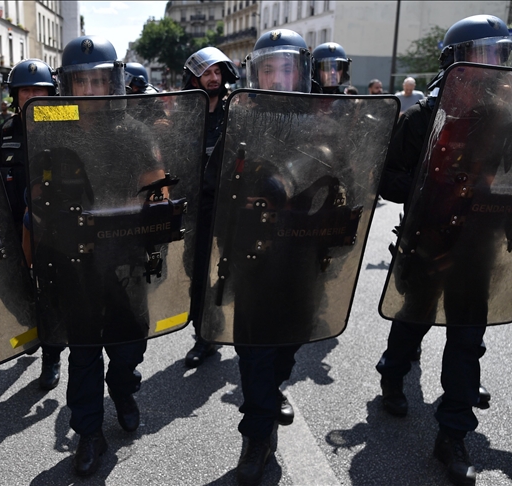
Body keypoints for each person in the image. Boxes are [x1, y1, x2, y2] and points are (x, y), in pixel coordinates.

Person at [374, 15, 512, 486]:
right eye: (485, 56)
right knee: (413, 319)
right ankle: (392, 373)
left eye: (500, 56)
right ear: (457, 63)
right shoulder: (422, 118)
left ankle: (453, 433)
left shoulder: (505, 119)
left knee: (466, 339)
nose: (495, 68)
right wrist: (428, 186)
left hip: (476, 245)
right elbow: (387, 177)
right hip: (427, 239)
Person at [200, 29, 315, 486]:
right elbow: (211, 182)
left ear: (300, 70)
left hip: (302, 252)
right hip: (250, 251)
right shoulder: (238, 116)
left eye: (285, 67)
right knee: (254, 349)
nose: (277, 76)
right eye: (268, 68)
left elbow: (349, 179)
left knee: (288, 343)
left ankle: (272, 390)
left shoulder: (323, 117)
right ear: (255, 72)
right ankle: (256, 435)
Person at [39, 35, 157, 477]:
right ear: (67, 85)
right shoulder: (51, 128)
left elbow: (157, 187)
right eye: (81, 81)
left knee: (128, 346)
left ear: (114, 82)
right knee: (83, 351)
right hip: (75, 259)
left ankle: (124, 389)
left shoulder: (135, 131)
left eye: (98, 80)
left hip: (124, 258)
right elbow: (36, 190)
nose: (89, 90)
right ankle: (88, 432)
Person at [0, 58, 64, 391]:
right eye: (25, 90)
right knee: (12, 290)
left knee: (50, 295)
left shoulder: (65, 125)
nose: (32, 95)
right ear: (15, 95)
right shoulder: (1, 133)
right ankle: (29, 327)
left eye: (39, 89)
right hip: (11, 231)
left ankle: (52, 357)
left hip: (51, 229)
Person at [180, 46, 239, 369]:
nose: (213, 78)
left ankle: (208, 335)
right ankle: (205, 326)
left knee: (224, 268)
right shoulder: (185, 110)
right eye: (207, 72)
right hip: (194, 206)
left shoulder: (236, 107)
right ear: (195, 77)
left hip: (227, 204)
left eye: (217, 72)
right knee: (194, 269)